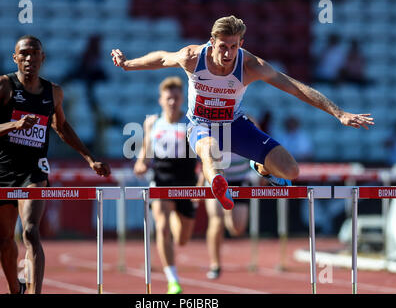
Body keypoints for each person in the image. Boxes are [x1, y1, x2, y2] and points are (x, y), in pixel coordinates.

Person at [112, 15, 374, 211]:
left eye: (233, 47)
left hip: (235, 125)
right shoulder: (193, 57)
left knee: (291, 171)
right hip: (200, 124)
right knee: (209, 149)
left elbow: (295, 88)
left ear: (241, 44)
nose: (227, 54)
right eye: (222, 46)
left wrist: (338, 113)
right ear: (211, 42)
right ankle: (218, 183)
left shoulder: (250, 65)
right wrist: (127, 64)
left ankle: (260, 167)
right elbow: (161, 58)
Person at [0, 35, 111, 294]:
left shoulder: (53, 92)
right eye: (24, 54)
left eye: (35, 53)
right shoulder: (1, 86)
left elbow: (62, 127)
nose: (29, 59)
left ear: (43, 58)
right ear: (14, 58)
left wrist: (90, 158)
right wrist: (13, 125)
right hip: (2, 170)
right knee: (3, 240)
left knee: (31, 231)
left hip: (34, 170)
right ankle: (15, 288)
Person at [133, 76, 200, 294]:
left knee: (182, 239)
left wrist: (201, 183)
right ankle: (173, 280)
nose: (172, 102)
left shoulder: (191, 123)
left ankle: (175, 216)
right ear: (161, 100)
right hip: (161, 178)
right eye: (168, 98)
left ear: (182, 99)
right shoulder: (152, 123)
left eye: (176, 97)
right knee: (161, 228)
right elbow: (144, 154)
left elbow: (204, 156)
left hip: (187, 180)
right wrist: (141, 164)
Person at [204, 152, 251, 279]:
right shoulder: (210, 132)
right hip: (215, 179)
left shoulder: (245, 131)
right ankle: (215, 264)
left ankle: (227, 208)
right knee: (216, 220)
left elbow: (257, 144)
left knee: (237, 229)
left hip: (239, 179)